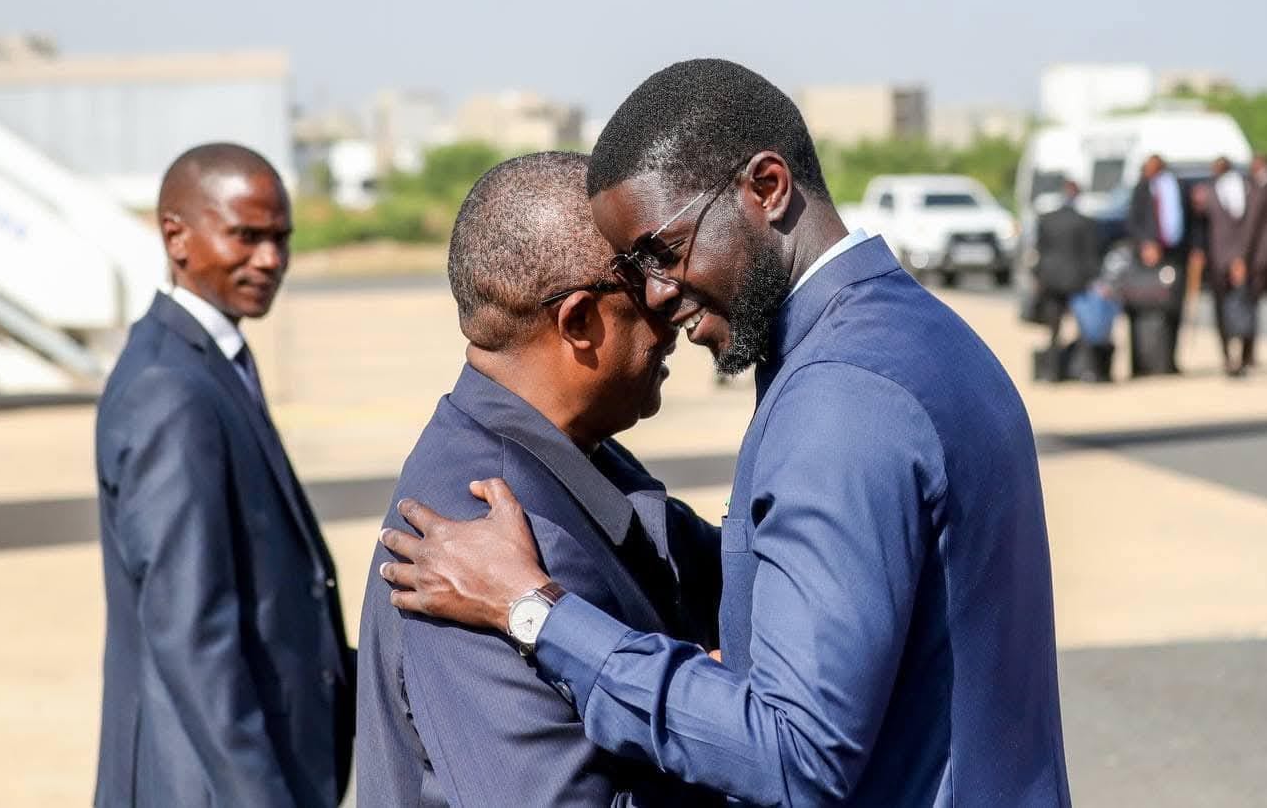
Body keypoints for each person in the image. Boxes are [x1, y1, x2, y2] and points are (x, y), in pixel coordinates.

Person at [379, 60, 1070, 806]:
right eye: (635, 270)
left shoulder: (839, 397)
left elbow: (794, 754)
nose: (656, 293)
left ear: (767, 187)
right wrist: (716, 669)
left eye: (663, 251)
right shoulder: (912, 334)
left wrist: (537, 613)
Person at [357, 152, 724, 807]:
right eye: (648, 279)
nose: (673, 302)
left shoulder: (577, 453)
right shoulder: (471, 532)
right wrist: (720, 717)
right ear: (579, 320)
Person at [94, 143, 353, 808]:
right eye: (246, 235)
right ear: (176, 235)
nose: (270, 259)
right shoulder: (169, 388)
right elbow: (191, 630)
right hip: (209, 783)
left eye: (281, 238)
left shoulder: (211, 360)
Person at [1125, 154, 1197, 375]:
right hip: (1148, 258)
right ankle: (1142, 363)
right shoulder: (1140, 189)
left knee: (1174, 307)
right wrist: (1146, 244)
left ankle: (1169, 361)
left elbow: (1190, 221)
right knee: (1141, 307)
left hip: (1175, 255)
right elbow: (1132, 222)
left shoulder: (1179, 186)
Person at [1194, 157, 1251, 375]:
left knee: (1245, 309)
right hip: (1217, 260)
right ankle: (1228, 357)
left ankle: (1244, 357)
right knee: (1220, 310)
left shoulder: (1246, 191)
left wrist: (1241, 258)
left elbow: (1248, 228)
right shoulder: (1209, 192)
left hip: (1242, 259)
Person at [1034, 179, 1103, 349]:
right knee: (1081, 321)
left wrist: (1038, 275)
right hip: (1076, 278)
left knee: (1054, 322)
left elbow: (1040, 250)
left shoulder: (1047, 219)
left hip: (1051, 277)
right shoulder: (1085, 222)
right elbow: (1090, 253)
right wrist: (1094, 277)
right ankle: (1077, 356)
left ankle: (1053, 357)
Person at [1237, 153, 1267, 366]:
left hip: (1261, 258)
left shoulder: (1261, 189)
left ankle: (1246, 355)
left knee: (1250, 303)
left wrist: (1243, 257)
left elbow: (1252, 226)